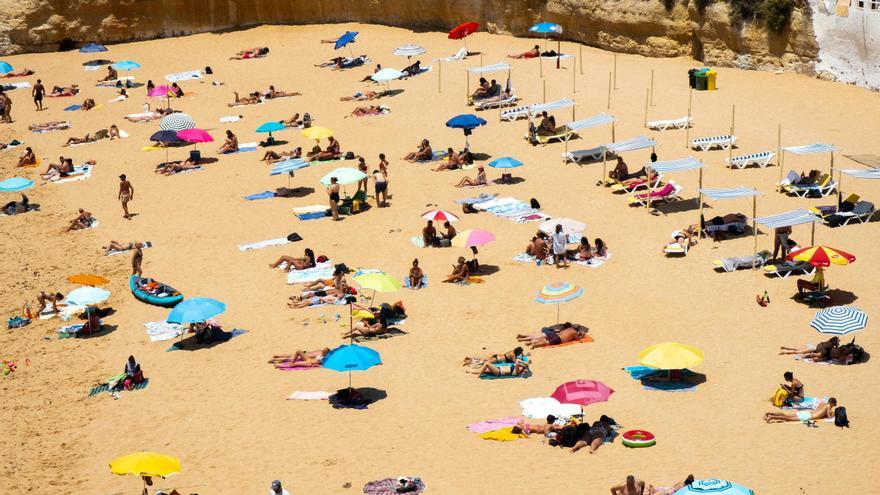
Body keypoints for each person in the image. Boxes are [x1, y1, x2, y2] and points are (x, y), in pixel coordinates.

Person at [764, 397, 838, 423]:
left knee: (786, 415)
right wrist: (833, 416)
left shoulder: (822, 403)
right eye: (833, 405)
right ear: (831, 403)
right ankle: (772, 417)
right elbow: (829, 417)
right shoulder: (828, 406)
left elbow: (819, 412)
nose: (832, 407)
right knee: (788, 418)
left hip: (807, 413)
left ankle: (770, 413)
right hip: (808, 416)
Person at [517, 323, 588, 349]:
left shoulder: (568, 328)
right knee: (546, 342)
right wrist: (582, 335)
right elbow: (578, 339)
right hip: (558, 339)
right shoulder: (575, 332)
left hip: (555, 334)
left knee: (541, 337)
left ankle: (529, 341)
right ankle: (534, 345)